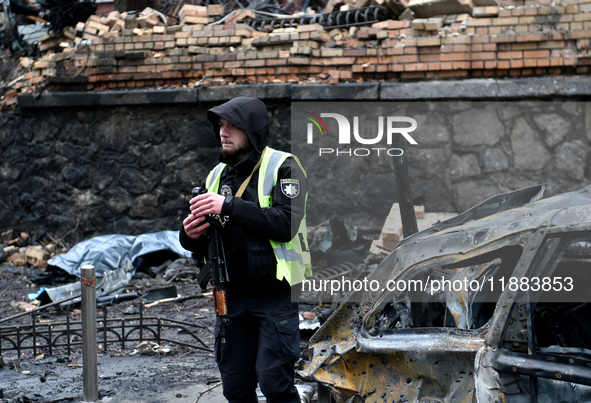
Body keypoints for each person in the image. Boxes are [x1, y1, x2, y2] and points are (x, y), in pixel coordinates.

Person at [179, 97, 312, 403]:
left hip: (275, 296)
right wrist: (187, 234)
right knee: (236, 389)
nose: (222, 133)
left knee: (275, 383)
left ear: (251, 131)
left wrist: (229, 205)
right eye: (220, 126)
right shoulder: (215, 177)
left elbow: (286, 224)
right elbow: (197, 242)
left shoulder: (285, 167)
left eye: (231, 126)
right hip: (231, 298)